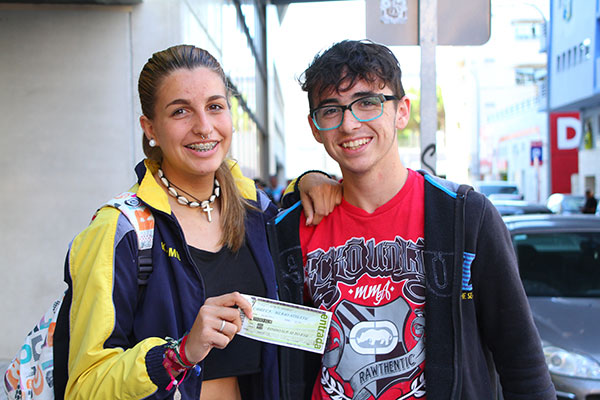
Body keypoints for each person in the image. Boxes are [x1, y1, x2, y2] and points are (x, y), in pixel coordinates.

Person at [269, 40, 556, 399]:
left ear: (401, 111)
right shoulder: (291, 229)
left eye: (368, 103)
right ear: (315, 127)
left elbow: (522, 363)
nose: (349, 123)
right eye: (331, 110)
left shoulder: (465, 217)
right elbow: (281, 357)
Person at [52, 45, 330, 400]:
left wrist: (311, 178)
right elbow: (84, 387)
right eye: (180, 111)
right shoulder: (119, 232)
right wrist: (179, 353)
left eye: (215, 106)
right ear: (150, 128)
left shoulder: (259, 213)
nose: (204, 127)